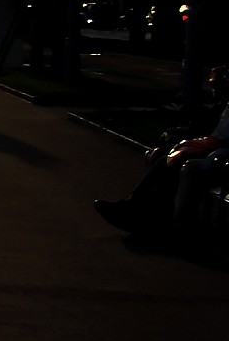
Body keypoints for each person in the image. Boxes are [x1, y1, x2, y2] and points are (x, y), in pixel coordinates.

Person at [96, 66, 229, 239]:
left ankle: (143, 212)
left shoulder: (224, 108)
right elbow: (204, 129)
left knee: (175, 161)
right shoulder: (221, 107)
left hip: (220, 154)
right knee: (162, 155)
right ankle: (145, 211)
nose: (213, 91)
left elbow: (217, 135)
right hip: (213, 148)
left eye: (217, 86)